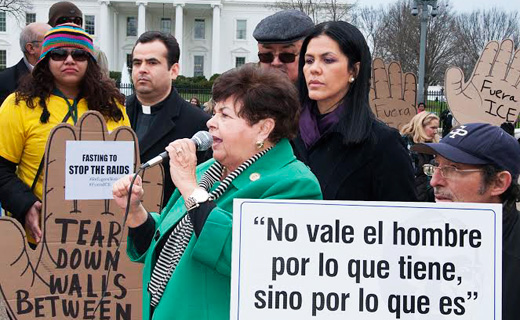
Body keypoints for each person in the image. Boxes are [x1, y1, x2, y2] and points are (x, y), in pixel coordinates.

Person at [113, 65, 322, 320]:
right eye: (213, 112)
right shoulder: (207, 170)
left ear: (264, 128)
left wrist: (190, 189)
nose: (210, 122)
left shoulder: (295, 185)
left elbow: (248, 258)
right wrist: (135, 211)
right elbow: (172, 240)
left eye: (224, 115)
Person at [0, 24, 130, 244]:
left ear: (90, 62)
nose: (69, 60)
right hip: (38, 237)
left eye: (79, 54)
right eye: (59, 54)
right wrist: (25, 205)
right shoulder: (18, 105)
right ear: (45, 60)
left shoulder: (112, 106)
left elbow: (125, 167)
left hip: (98, 238)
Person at [292, 21, 417, 201]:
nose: (314, 69)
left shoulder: (383, 143)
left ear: (354, 70)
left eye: (328, 60)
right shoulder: (285, 134)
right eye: (309, 60)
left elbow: (401, 222)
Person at [412, 123, 520, 320]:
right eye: (436, 166)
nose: (434, 181)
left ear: (498, 183)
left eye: (453, 169)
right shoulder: (411, 236)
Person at [126, 31, 210, 207]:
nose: (142, 69)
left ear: (174, 70)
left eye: (152, 62)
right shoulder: (114, 115)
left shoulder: (199, 124)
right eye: (136, 63)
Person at [48, 1, 110, 76]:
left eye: (77, 21)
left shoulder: (95, 53)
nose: (71, 24)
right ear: (51, 24)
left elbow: (103, 81)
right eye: (63, 20)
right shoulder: (41, 50)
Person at [253, 10, 314, 83]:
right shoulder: (243, 92)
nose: (276, 63)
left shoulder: (324, 92)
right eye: (266, 56)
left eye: (287, 56)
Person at [0, 22, 51, 106]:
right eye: (49, 42)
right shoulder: (4, 81)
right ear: (31, 48)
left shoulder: (63, 76)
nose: (56, 46)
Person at [400, 112, 439, 201]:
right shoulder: (404, 144)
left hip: (427, 196)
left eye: (436, 128)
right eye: (432, 127)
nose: (436, 131)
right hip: (408, 197)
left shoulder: (434, 145)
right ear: (420, 127)